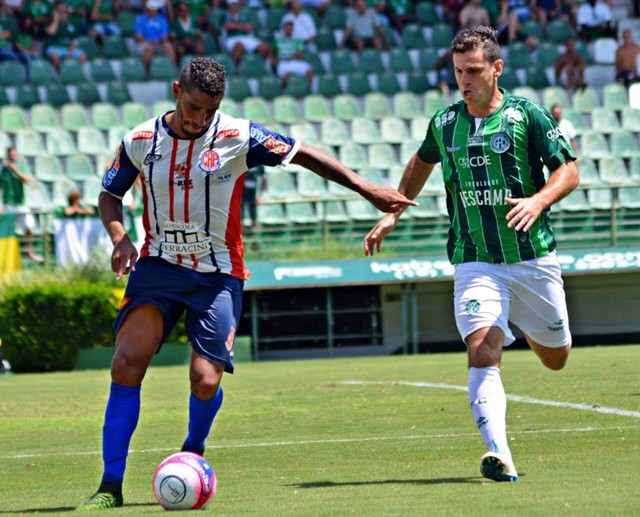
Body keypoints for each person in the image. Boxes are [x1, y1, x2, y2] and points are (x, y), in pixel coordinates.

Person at [76, 56, 415, 511]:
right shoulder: (139, 141)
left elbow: (304, 154)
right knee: (126, 362)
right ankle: (109, 485)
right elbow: (109, 195)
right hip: (158, 267)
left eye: (210, 111)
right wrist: (119, 239)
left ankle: (193, 450)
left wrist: (365, 187)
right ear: (177, 90)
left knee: (204, 380)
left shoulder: (237, 136)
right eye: (194, 107)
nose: (200, 119)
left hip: (217, 273)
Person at [363, 26, 579, 483]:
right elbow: (422, 161)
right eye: (459, 71)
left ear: (497, 69)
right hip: (474, 259)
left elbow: (569, 171)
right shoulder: (444, 123)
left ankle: (526, 324)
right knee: (482, 349)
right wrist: (394, 211)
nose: (465, 80)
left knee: (556, 357)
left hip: (532, 258)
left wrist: (538, 200)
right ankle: (498, 452)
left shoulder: (527, 116)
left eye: (475, 71)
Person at [0, 147, 42, 262]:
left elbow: (27, 180)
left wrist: (15, 171)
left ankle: (30, 252)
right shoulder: (3, 170)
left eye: (15, 153)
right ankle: (5, 254)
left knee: (28, 227)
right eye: (11, 154)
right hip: (8, 203)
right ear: (8, 156)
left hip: (20, 203)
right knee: (5, 229)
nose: (13, 155)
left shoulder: (21, 167)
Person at [222, 0, 271, 68]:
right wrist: (243, 27)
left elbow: (250, 28)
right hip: (232, 39)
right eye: (232, 7)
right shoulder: (226, 16)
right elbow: (228, 26)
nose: (234, 9)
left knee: (265, 47)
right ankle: (236, 70)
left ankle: (259, 68)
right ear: (229, 9)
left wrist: (236, 26)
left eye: (236, 7)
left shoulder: (243, 17)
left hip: (247, 38)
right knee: (240, 46)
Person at [133, 0, 176, 73]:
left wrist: (161, 42)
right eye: (152, 9)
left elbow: (164, 35)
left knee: (169, 48)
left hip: (159, 43)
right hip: (145, 43)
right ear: (148, 10)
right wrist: (149, 43)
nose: (154, 11)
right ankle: (146, 71)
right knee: (149, 49)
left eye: (155, 9)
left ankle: (172, 70)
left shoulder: (161, 19)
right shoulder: (140, 19)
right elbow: (138, 36)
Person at [272, 20, 314, 91]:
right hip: (283, 63)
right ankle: (281, 92)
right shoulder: (277, 41)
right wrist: (274, 60)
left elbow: (300, 55)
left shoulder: (297, 41)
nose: (288, 30)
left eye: (290, 28)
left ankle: (308, 90)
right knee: (289, 74)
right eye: (286, 28)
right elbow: (272, 52)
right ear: (283, 29)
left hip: (295, 62)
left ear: (292, 29)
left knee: (309, 71)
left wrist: (289, 58)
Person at [241, 164, 267, 235]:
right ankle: (241, 238)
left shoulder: (259, 164)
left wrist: (260, 194)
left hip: (254, 193)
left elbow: (264, 178)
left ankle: (254, 238)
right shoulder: (242, 160)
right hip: (242, 192)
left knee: (254, 216)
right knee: (240, 216)